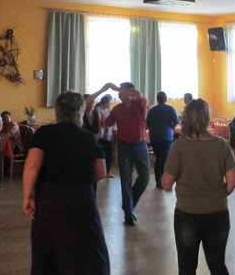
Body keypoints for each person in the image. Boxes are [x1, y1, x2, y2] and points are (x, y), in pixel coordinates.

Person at [22, 90, 109, 275]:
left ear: (57, 111)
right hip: (82, 198)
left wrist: (27, 196)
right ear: (80, 112)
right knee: (86, 248)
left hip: (50, 198)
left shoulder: (44, 133)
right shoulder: (88, 137)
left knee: (49, 246)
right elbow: (101, 172)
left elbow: (32, 166)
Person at [162, 98, 235, 275]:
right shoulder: (221, 144)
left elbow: (166, 183)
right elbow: (232, 181)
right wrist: (218, 194)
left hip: (187, 213)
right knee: (217, 265)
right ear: (207, 118)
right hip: (218, 211)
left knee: (187, 267)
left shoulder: (179, 146)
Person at [103, 82, 150, 226]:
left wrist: (117, 88)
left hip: (140, 145)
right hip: (123, 146)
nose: (118, 94)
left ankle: (129, 203)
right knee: (125, 180)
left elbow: (139, 94)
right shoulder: (117, 109)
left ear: (129, 92)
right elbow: (106, 123)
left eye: (121, 91)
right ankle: (128, 213)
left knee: (145, 176)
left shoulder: (140, 104)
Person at [146, 91, 179, 189]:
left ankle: (158, 180)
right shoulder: (171, 109)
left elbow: (147, 124)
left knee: (159, 158)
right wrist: (170, 127)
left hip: (154, 136)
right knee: (163, 159)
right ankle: (161, 181)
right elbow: (176, 121)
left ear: (157, 99)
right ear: (166, 98)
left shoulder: (152, 109)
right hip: (166, 136)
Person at [95, 94, 115, 178]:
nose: (111, 103)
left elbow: (113, 121)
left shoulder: (110, 111)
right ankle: (100, 171)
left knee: (109, 154)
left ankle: (107, 171)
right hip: (101, 135)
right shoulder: (98, 110)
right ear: (106, 102)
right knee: (101, 154)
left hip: (109, 135)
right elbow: (100, 123)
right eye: (110, 102)